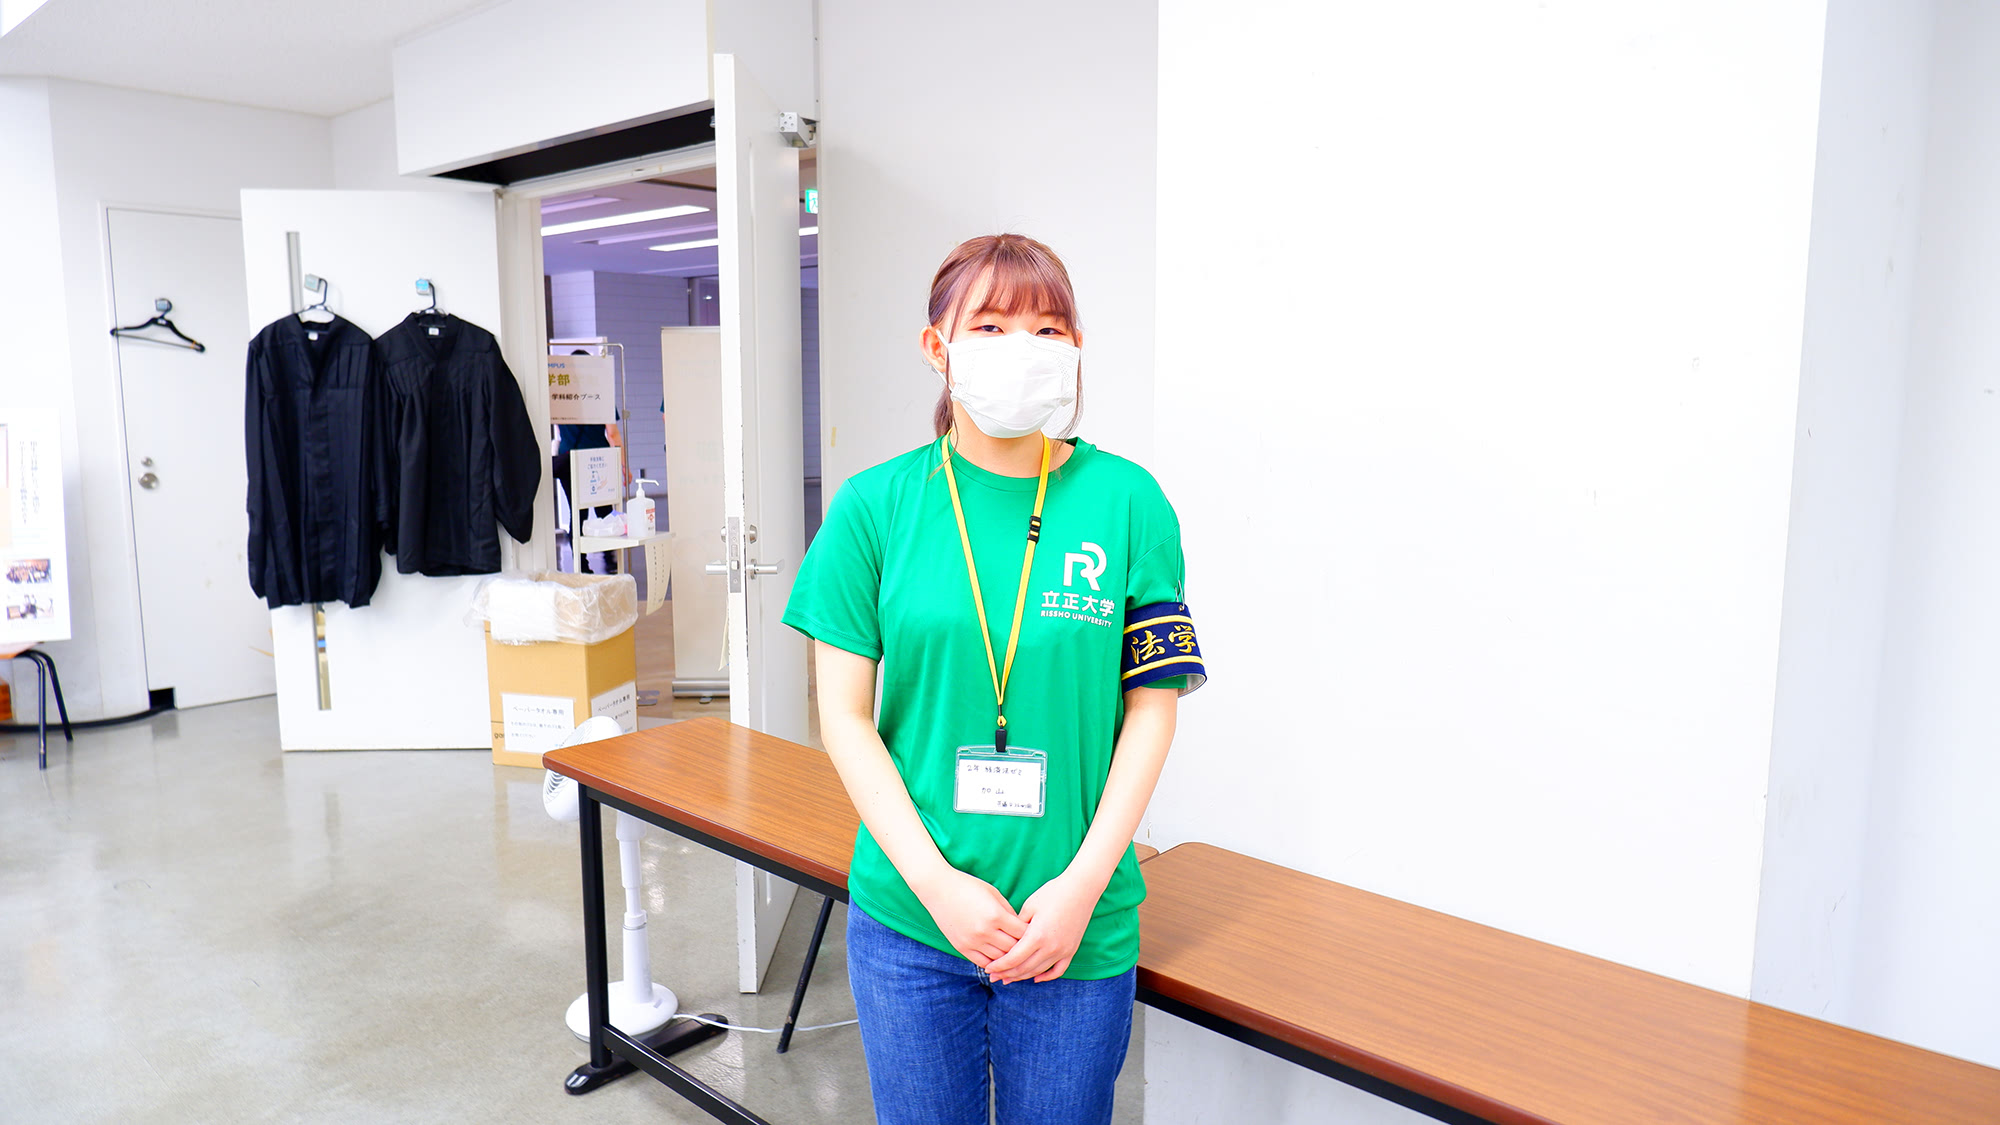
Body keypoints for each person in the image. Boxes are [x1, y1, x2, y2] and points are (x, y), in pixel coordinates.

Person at [783, 234, 1205, 1125]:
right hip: (911, 919)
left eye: (1049, 328)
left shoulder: (1129, 502)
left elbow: (1151, 712)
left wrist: (1081, 889)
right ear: (937, 346)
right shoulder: (874, 508)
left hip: (1073, 925)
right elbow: (844, 717)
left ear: (1077, 347)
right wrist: (939, 888)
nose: (1024, 346)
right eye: (991, 324)